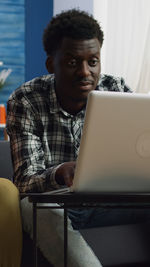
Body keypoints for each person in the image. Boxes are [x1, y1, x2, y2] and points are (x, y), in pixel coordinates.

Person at [6, 9, 150, 267]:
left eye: (93, 61)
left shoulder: (115, 89)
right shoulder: (26, 99)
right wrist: (60, 172)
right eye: (73, 62)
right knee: (33, 208)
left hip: (111, 202)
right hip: (58, 206)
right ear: (52, 64)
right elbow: (25, 183)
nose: (85, 72)